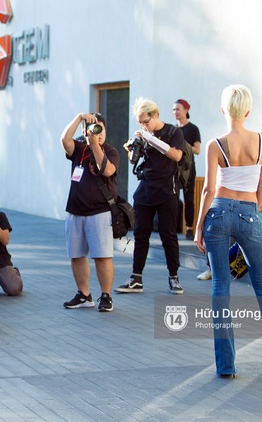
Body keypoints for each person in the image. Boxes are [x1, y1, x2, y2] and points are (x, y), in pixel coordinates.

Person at [194, 84, 262, 377]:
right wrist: (251, 208)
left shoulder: (215, 144)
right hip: (250, 213)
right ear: (247, 111)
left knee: (220, 287)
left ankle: (226, 366)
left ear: (223, 110)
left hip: (219, 213)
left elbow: (209, 189)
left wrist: (199, 227)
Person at [116, 99, 184, 295]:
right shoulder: (144, 135)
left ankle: (174, 277)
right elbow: (134, 161)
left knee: (168, 235)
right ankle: (136, 278)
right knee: (140, 234)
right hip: (146, 189)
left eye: (145, 121)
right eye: (139, 123)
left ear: (155, 115)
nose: (143, 126)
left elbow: (177, 155)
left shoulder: (173, 132)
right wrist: (133, 149)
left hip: (167, 191)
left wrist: (151, 138)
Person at [60, 112, 118, 312]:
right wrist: (78, 118)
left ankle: (106, 296)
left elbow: (107, 170)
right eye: (93, 129)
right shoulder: (78, 149)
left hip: (99, 212)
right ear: (84, 131)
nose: (97, 133)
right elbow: (64, 139)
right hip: (75, 211)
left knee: (102, 256)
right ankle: (84, 294)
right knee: (76, 255)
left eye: (100, 129)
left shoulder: (111, 151)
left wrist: (95, 145)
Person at [173, 99, 201, 240]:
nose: (175, 112)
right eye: (174, 110)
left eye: (178, 109)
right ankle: (174, 226)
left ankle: (189, 228)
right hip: (175, 169)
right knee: (173, 198)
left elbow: (197, 150)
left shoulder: (193, 129)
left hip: (188, 168)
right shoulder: (173, 129)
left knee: (189, 199)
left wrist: (183, 144)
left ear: (186, 110)